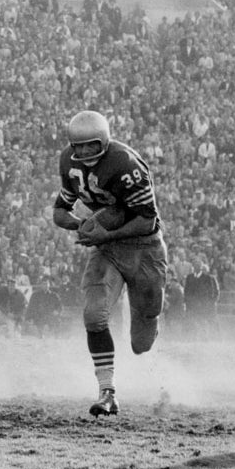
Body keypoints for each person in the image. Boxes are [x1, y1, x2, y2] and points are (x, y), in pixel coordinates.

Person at [52, 110, 168, 417]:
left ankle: (149, 322)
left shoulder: (125, 164)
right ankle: (107, 392)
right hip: (108, 248)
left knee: (141, 343)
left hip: (144, 248)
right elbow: (59, 211)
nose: (85, 152)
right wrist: (82, 225)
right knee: (94, 315)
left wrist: (106, 230)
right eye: (79, 146)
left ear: (103, 141)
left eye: (92, 145)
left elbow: (147, 220)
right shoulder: (68, 161)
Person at [183, 261, 220, 339]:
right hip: (192, 305)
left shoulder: (207, 278)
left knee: (204, 322)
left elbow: (212, 291)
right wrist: (187, 301)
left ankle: (206, 338)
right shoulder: (189, 277)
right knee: (192, 322)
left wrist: (209, 303)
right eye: (195, 266)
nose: (197, 268)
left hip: (203, 305)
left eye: (198, 266)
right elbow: (186, 291)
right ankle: (191, 337)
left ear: (201, 268)